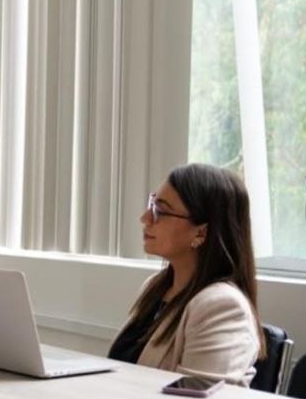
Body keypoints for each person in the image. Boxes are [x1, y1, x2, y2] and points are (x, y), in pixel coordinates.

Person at [108, 164, 264, 386]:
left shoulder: (222, 306)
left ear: (201, 232)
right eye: (151, 206)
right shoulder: (155, 287)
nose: (145, 218)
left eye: (160, 211)